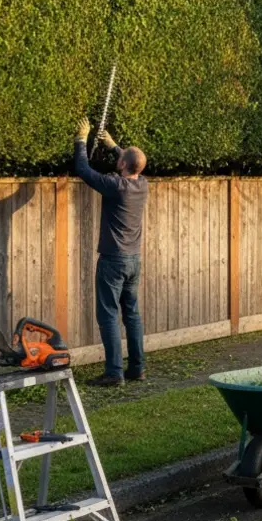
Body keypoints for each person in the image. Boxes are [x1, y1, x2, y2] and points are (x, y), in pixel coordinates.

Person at [74, 118, 149, 386]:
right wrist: (115, 146)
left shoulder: (115, 186)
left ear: (121, 166)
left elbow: (83, 169)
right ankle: (137, 368)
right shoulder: (142, 184)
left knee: (107, 315)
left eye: (119, 159)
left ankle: (114, 372)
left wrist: (81, 139)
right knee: (132, 314)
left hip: (112, 261)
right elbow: (132, 163)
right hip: (133, 260)